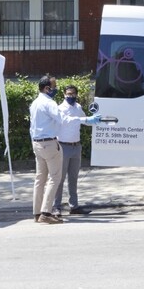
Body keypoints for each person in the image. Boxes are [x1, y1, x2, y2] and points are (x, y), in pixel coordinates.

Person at [53, 84, 96, 215]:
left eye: (73, 94)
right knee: (59, 179)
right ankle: (56, 207)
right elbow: (68, 121)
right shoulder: (59, 109)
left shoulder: (78, 108)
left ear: (76, 95)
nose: (70, 96)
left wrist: (95, 120)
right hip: (63, 146)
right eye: (68, 94)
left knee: (73, 178)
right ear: (64, 94)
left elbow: (85, 121)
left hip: (76, 146)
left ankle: (74, 206)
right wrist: (85, 119)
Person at [28, 74, 65, 224]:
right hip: (49, 144)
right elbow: (63, 119)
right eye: (54, 86)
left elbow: (32, 127)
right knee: (54, 177)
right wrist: (85, 120)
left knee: (40, 179)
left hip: (37, 143)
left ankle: (37, 213)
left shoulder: (35, 103)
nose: (56, 89)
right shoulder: (49, 103)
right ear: (47, 88)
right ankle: (46, 212)